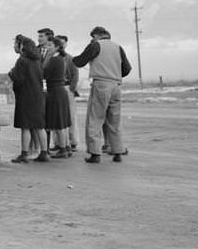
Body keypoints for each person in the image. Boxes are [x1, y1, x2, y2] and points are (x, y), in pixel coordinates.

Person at [73, 26, 132, 164]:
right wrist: (114, 73)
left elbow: (79, 62)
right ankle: (117, 152)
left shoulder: (96, 45)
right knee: (114, 121)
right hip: (116, 86)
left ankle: (95, 153)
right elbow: (127, 69)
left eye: (92, 37)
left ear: (96, 36)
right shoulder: (118, 47)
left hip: (101, 85)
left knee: (95, 119)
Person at [8, 35, 48, 163]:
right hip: (38, 96)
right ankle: (44, 153)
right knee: (39, 126)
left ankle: (24, 154)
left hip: (25, 97)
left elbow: (18, 79)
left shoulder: (22, 60)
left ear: (22, 46)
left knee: (25, 126)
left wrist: (11, 74)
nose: (14, 46)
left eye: (16, 44)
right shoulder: (37, 60)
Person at [45, 37, 72, 158]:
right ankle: (65, 147)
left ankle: (62, 149)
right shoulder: (60, 59)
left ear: (56, 47)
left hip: (55, 92)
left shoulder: (55, 60)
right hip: (59, 91)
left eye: (50, 45)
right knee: (62, 122)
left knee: (59, 122)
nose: (47, 47)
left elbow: (44, 74)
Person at [59, 34, 80, 152]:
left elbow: (75, 75)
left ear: (66, 44)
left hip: (67, 88)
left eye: (63, 43)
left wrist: (71, 89)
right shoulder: (53, 57)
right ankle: (60, 143)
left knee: (71, 117)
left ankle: (73, 142)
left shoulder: (70, 59)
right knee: (58, 117)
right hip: (57, 89)